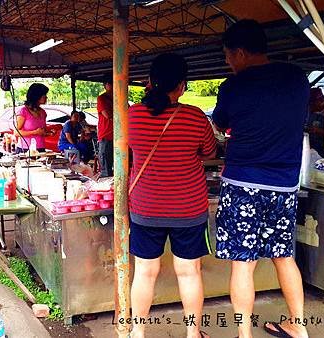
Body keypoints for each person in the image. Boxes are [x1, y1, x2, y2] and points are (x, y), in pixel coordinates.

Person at [211, 20, 310, 338]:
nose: (228, 62)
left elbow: (221, 123)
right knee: (284, 256)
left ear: (239, 52)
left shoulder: (233, 86)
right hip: (284, 186)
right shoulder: (297, 79)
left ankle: (244, 334)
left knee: (243, 262)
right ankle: (298, 327)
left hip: (243, 185)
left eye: (228, 56)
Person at [128, 53, 215, 338]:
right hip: (188, 208)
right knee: (189, 272)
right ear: (182, 85)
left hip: (145, 206)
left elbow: (125, 152)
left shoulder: (133, 115)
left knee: (144, 272)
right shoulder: (195, 117)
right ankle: (193, 334)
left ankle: (137, 334)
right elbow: (210, 152)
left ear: (150, 82)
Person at [15, 83, 48, 153]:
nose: (46, 97)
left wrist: (49, 133)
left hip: (40, 148)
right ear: (36, 96)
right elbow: (16, 132)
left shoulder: (43, 112)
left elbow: (42, 131)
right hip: (25, 149)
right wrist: (35, 132)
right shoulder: (24, 111)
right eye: (44, 95)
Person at [97, 76, 113, 176]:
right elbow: (107, 115)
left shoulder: (119, 97)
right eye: (110, 83)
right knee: (106, 167)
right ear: (105, 85)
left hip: (117, 135)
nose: (112, 85)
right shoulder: (102, 98)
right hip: (106, 135)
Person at [305, 87, 324, 157]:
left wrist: (319, 131)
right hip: (310, 150)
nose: (322, 100)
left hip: (323, 151)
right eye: (318, 99)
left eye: (322, 98)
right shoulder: (308, 113)